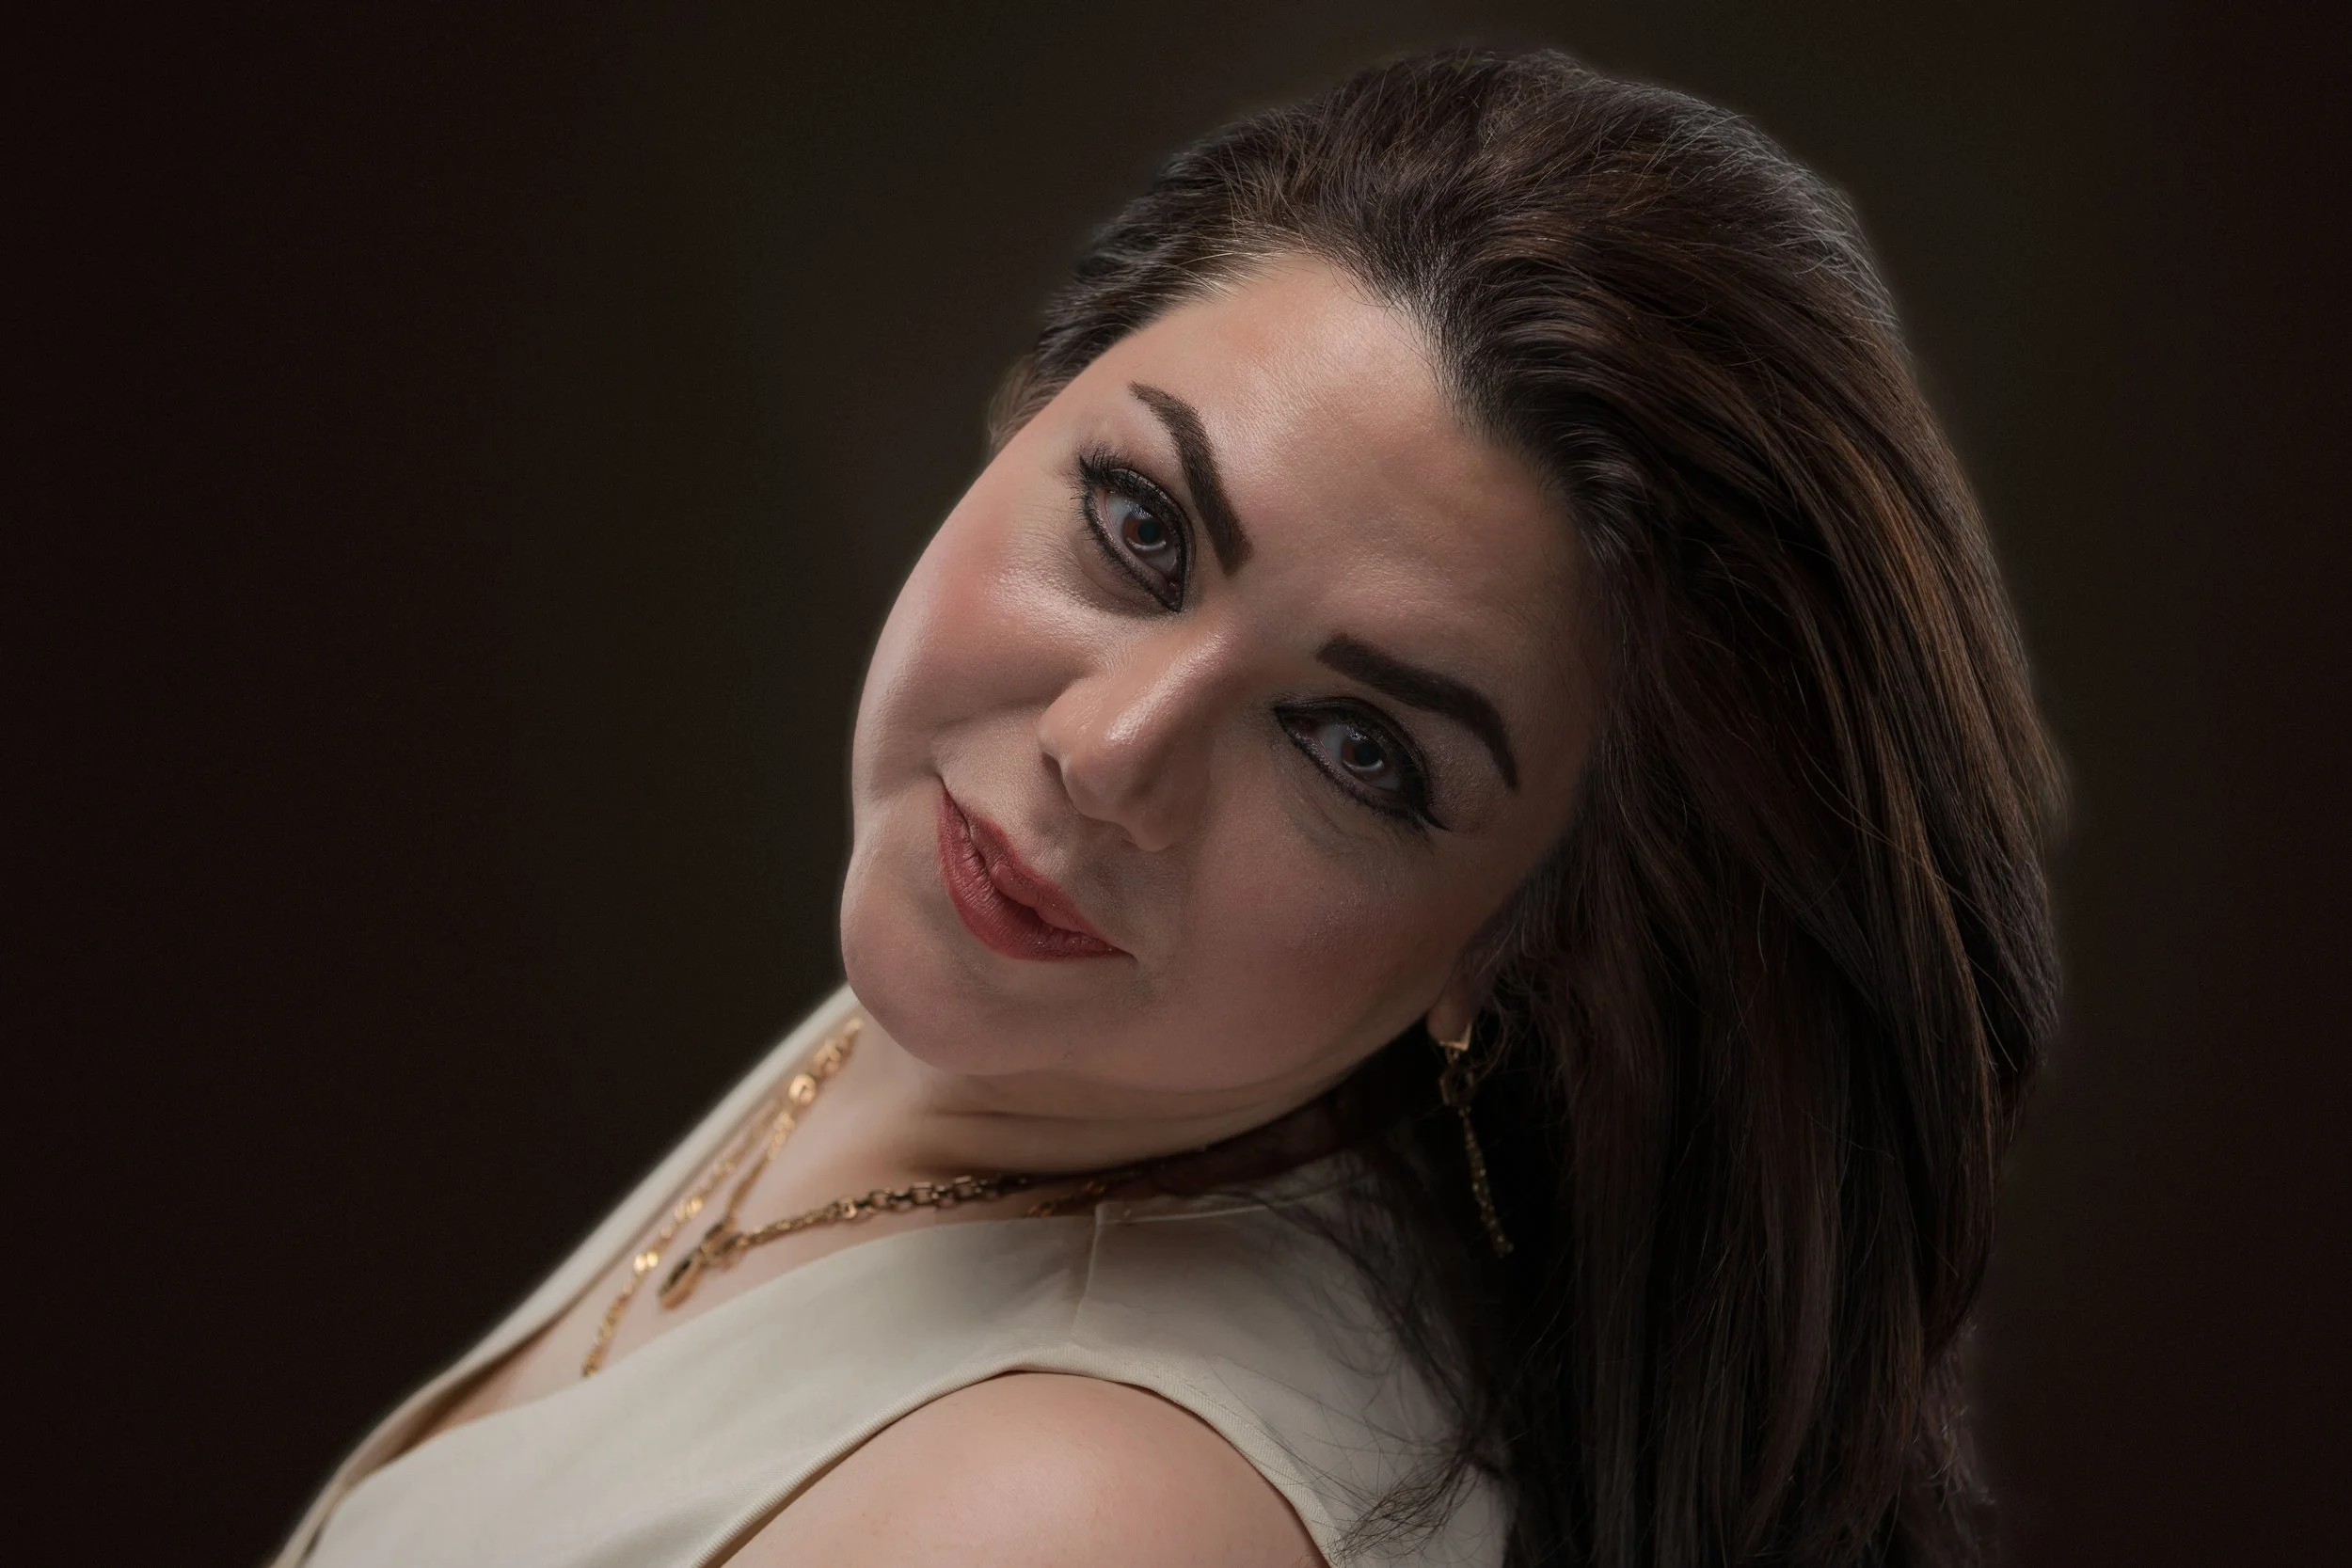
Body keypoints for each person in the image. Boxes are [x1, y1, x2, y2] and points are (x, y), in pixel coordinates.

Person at [272, 47, 2060, 1568]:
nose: (1109, 756)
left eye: (1357, 750)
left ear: (1516, 940)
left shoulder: (1077, 1512)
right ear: (1021, 406)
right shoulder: (1044, 1024)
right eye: (1141, 526)